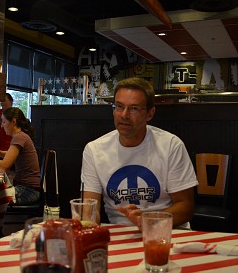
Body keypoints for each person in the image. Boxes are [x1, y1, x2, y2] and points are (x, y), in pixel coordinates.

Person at [81, 77, 198, 229]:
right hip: (120, 234)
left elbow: (185, 207)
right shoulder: (94, 150)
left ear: (150, 114)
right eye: (119, 106)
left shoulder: (171, 145)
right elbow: (89, 208)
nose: (124, 115)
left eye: (134, 108)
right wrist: (87, 221)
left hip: (168, 231)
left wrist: (150, 221)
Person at [0, 107, 41, 205]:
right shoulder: (22, 136)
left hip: (28, 192)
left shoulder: (19, 137)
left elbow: (4, 166)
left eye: (4, 122)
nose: (2, 126)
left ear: (13, 121)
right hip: (30, 189)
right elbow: (11, 154)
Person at [0, 93, 13, 157]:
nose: (2, 102)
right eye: (1, 101)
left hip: (9, 148)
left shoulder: (15, 113)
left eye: (4, 100)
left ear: (11, 101)